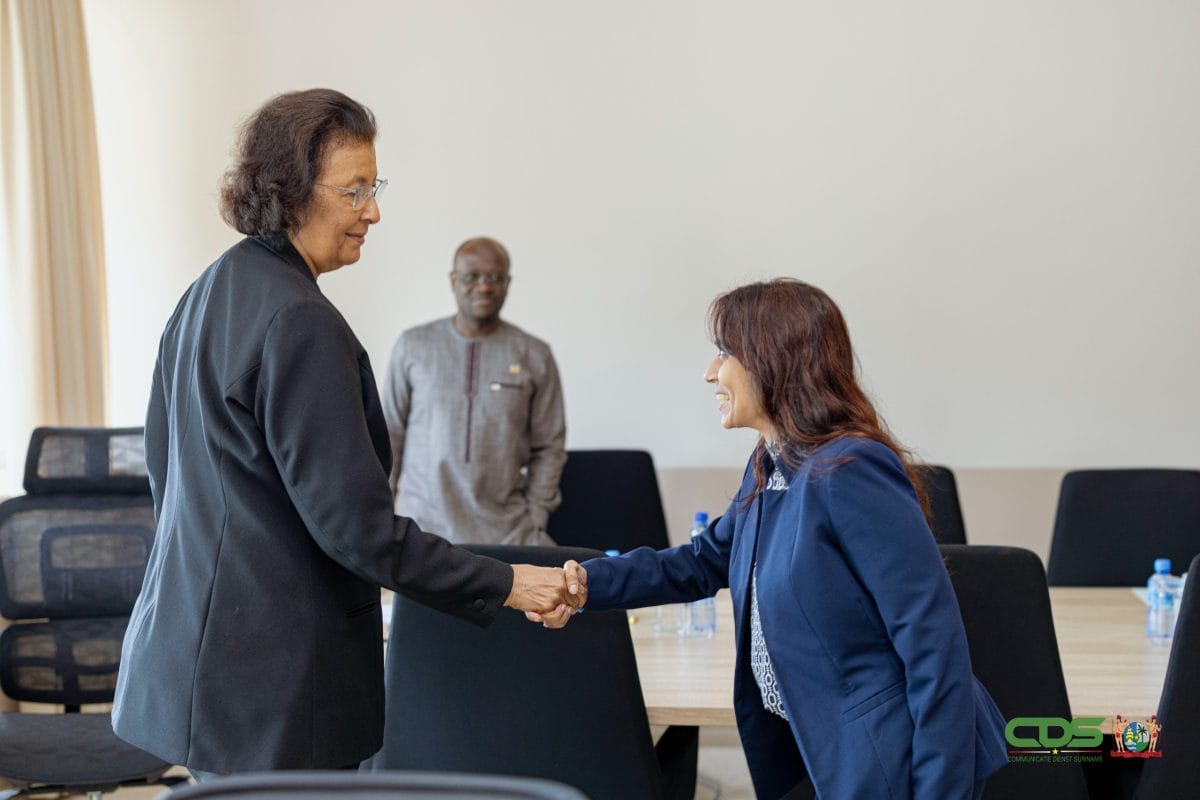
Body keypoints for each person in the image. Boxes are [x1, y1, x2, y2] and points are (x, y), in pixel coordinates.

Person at [111, 89, 583, 780]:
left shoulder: (209, 291)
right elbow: (358, 531)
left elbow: (165, 467)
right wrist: (509, 581)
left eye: (374, 187)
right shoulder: (299, 321)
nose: (373, 211)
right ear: (291, 190)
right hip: (276, 684)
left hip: (198, 664)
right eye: (354, 190)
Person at [537, 279, 1008, 799]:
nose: (711, 372)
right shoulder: (773, 461)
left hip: (891, 760)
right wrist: (584, 584)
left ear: (772, 360)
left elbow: (932, 638)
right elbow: (702, 561)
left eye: (725, 353)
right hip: (819, 752)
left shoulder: (851, 467)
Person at [380, 237, 566, 546]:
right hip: (422, 531)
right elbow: (389, 434)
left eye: (495, 278)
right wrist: (385, 519)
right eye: (472, 277)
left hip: (509, 535)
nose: (484, 287)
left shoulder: (534, 354)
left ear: (508, 284)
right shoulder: (413, 346)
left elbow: (549, 446)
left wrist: (536, 516)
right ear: (453, 280)